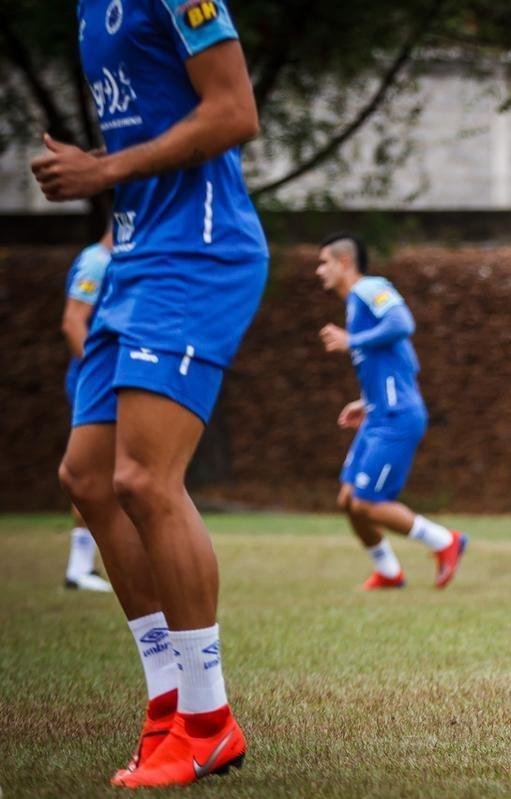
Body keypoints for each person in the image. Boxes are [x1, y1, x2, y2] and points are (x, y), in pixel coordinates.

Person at [34, 0, 269, 786]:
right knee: (88, 479)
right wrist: (97, 164)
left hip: (198, 253)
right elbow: (153, 127)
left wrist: (101, 170)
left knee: (144, 477)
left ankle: (209, 720)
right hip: (133, 258)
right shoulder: (87, 11)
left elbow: (236, 112)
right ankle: (167, 703)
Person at [316, 233, 467, 590]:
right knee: (349, 501)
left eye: (323, 262)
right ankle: (388, 571)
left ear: (344, 262)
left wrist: (352, 340)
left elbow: (402, 323)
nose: (318, 270)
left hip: (397, 416)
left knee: (368, 503)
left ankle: (446, 542)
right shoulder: (355, 303)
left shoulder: (370, 288)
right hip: (378, 413)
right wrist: (364, 402)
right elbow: (397, 362)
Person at [60, 229, 114, 592]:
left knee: (111, 477)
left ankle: (83, 567)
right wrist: (100, 373)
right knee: (93, 474)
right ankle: (79, 568)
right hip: (98, 383)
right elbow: (72, 321)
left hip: (107, 380)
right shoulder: (98, 260)